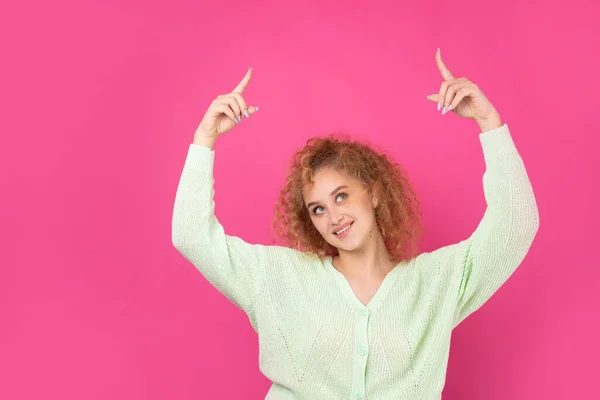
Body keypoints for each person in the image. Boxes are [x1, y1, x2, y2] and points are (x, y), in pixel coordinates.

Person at [171, 49, 539, 399]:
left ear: (374, 193)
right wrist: (205, 140)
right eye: (317, 209)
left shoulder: (436, 283)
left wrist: (489, 124)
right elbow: (191, 236)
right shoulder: (277, 277)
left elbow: (516, 225)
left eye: (342, 196)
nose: (334, 218)